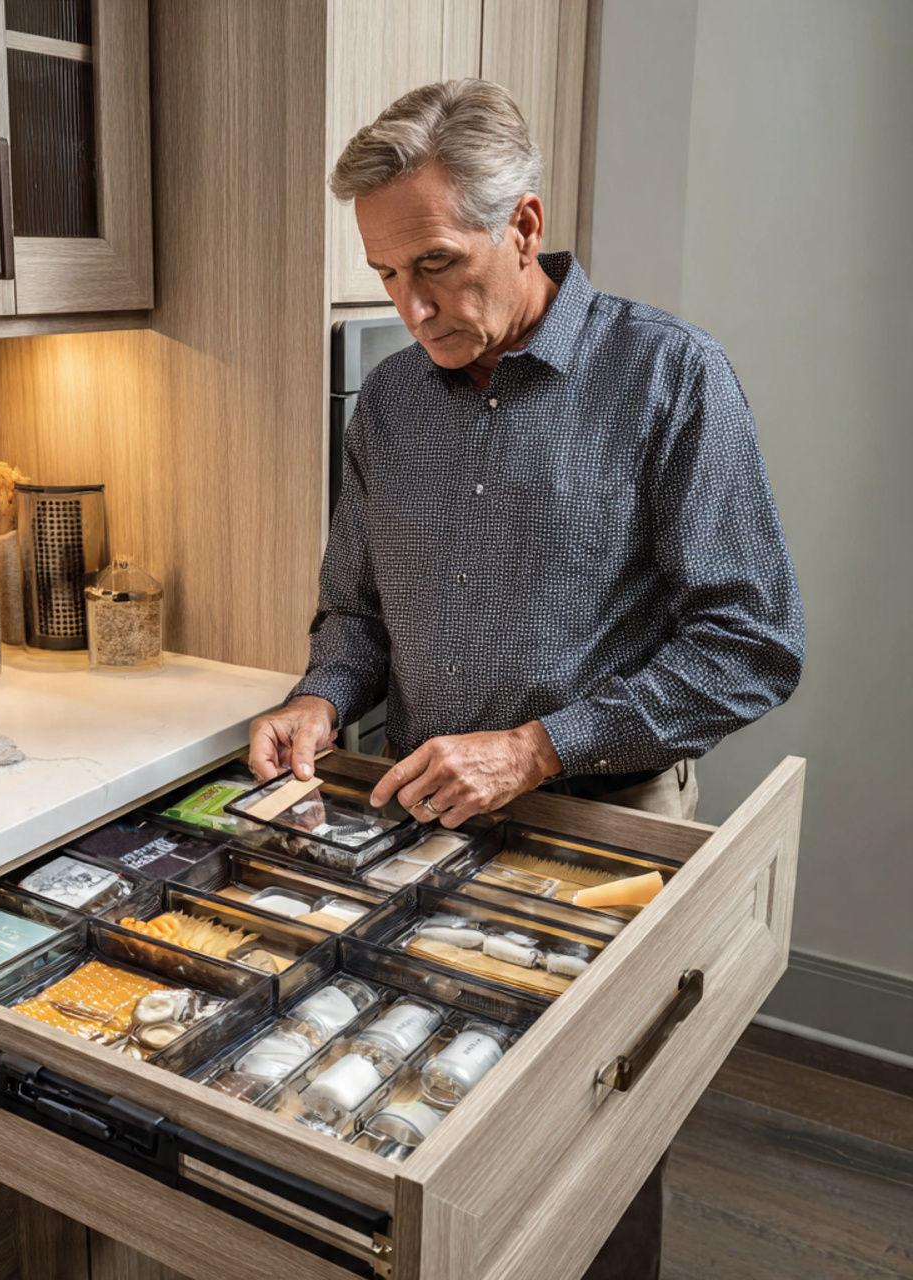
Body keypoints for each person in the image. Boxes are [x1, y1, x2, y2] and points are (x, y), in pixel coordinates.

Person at [248, 79, 804, 1279]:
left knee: (586, 1167)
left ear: (522, 224)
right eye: (386, 276)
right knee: (417, 1132)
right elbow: (357, 610)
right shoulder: (387, 402)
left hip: (605, 834)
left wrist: (537, 746)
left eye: (436, 266)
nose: (411, 308)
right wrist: (319, 696)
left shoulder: (669, 375)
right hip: (416, 823)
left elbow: (751, 641)